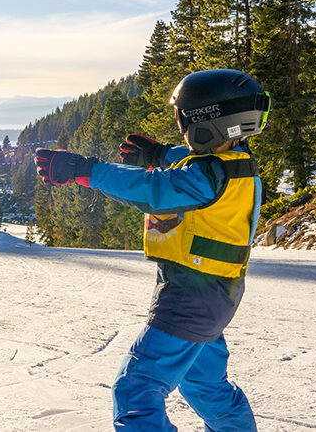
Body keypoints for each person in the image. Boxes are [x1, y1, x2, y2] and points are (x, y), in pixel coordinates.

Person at [34, 69, 270, 431]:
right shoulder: (235, 163)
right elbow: (191, 163)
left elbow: (153, 189)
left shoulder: (205, 178)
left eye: (184, 121)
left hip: (190, 299)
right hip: (216, 295)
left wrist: (85, 170)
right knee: (204, 385)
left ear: (211, 122)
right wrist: (160, 153)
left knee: (136, 390)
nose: (182, 129)